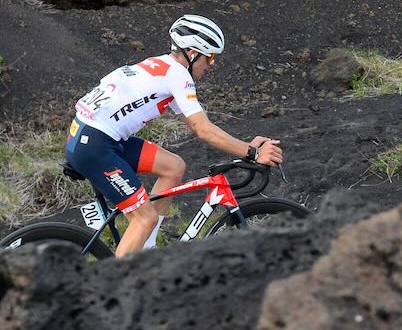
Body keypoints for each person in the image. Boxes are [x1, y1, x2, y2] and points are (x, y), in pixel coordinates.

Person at [66, 14, 283, 257]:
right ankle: (114, 285)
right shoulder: (178, 75)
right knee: (143, 218)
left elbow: (197, 124)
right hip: (96, 145)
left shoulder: (161, 65)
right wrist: (252, 152)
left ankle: (147, 248)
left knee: (173, 167)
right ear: (192, 53)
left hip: (93, 137)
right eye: (209, 57)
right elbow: (203, 131)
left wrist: (244, 146)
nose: (211, 65)